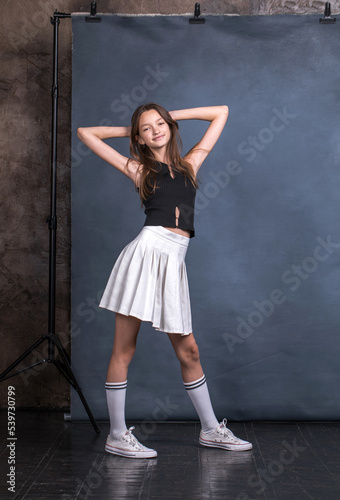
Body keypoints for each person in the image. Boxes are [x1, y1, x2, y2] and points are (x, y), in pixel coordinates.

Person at [77, 103, 252, 458]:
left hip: (174, 262)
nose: (155, 130)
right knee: (124, 349)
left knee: (189, 350)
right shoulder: (138, 168)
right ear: (139, 138)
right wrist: (132, 131)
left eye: (160, 124)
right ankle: (116, 434)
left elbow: (222, 112)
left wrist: (168, 116)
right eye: (147, 128)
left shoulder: (190, 164)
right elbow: (86, 134)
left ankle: (210, 429)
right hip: (145, 254)